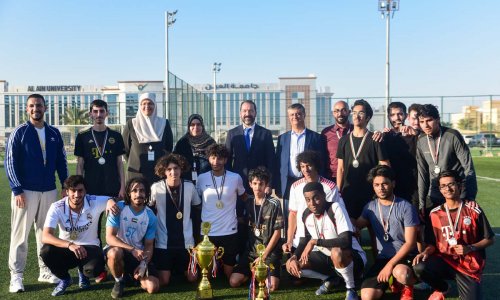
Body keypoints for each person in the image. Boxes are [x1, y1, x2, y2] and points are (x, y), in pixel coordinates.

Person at [5, 93, 69, 293]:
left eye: (39, 105)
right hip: (25, 191)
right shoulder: (20, 132)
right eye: (32, 106)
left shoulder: (54, 132)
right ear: (27, 109)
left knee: (45, 234)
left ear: (45, 108)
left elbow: (61, 161)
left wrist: (64, 185)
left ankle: (45, 270)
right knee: (20, 235)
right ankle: (16, 276)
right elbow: (10, 163)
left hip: (49, 190)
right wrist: (17, 189)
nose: (36, 109)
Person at [413, 170, 495, 300]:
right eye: (443, 186)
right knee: (420, 266)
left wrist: (470, 247)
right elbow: (432, 244)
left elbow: (489, 239)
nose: (447, 189)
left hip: (469, 264)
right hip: (444, 260)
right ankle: (443, 288)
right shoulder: (435, 214)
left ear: (459, 186)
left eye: (451, 184)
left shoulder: (473, 209)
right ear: (440, 189)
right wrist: (425, 253)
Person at [40, 175, 119, 296]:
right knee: (46, 251)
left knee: (94, 271)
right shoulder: (57, 207)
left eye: (80, 190)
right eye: (73, 190)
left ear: (85, 191)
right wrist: (70, 245)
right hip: (67, 248)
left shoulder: (93, 201)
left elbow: (110, 199)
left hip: (90, 247)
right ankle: (65, 279)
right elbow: (45, 236)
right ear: (67, 191)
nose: (77, 195)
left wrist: (110, 202)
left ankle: (83, 272)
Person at [286, 182, 366, 300]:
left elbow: (346, 241)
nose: (312, 203)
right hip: (327, 257)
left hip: (352, 257)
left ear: (323, 195)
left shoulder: (335, 208)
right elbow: (304, 240)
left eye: (316, 198)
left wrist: (315, 242)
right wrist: (293, 257)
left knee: (336, 252)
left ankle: (351, 288)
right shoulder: (306, 214)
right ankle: (331, 278)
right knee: (292, 266)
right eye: (308, 200)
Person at [74, 99, 126, 283]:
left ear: (107, 113)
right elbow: (80, 165)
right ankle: (93, 270)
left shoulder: (116, 136)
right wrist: (79, 190)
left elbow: (120, 164)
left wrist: (122, 186)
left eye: (101, 111)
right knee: (91, 233)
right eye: (95, 111)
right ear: (90, 114)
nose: (98, 115)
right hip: (91, 193)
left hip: (113, 192)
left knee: (116, 231)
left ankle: (119, 265)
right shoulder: (82, 136)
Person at [284, 150, 345, 294]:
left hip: (325, 238)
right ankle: (330, 277)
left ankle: (342, 273)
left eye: (309, 165)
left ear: (316, 165)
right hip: (303, 238)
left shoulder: (329, 187)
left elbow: (336, 214)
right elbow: (292, 214)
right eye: (302, 166)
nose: (306, 170)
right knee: (294, 272)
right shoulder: (295, 186)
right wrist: (289, 239)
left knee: (334, 259)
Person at [356, 165, 420, 300]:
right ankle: (392, 281)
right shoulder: (370, 207)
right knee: (367, 296)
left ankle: (407, 286)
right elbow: (355, 226)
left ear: (393, 184)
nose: (381, 188)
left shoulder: (406, 207)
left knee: (402, 273)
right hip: (382, 259)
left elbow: (410, 243)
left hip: (404, 257)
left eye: (385, 183)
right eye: (377, 185)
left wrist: (390, 265)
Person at [225, 100, 276, 258]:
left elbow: (271, 161)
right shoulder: (232, 134)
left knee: (259, 219)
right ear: (240, 113)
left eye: (251, 111)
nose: (247, 114)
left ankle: (261, 252)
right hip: (238, 186)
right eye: (245, 111)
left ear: (255, 112)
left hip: (259, 186)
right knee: (240, 218)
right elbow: (227, 161)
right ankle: (240, 253)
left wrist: (269, 184)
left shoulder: (265, 134)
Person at [416, 104, 477, 219]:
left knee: (458, 232)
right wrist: (422, 203)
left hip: (456, 193)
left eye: (429, 120)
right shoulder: (421, 140)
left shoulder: (452, 136)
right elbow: (422, 174)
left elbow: (468, 168)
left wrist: (470, 196)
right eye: (422, 121)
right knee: (434, 233)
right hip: (435, 194)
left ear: (437, 119)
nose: (426, 125)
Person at [196, 144, 246, 278]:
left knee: (228, 274)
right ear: (208, 159)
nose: (216, 162)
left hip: (229, 230)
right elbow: (197, 201)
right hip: (208, 231)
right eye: (212, 158)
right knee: (208, 274)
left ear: (225, 160)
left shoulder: (235, 178)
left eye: (219, 159)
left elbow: (244, 197)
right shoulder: (201, 178)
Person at [150, 154, 201, 286]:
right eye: (169, 169)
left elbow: (197, 211)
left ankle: (179, 269)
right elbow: (149, 212)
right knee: (164, 281)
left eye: (176, 168)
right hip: (163, 243)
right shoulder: (156, 188)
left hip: (187, 243)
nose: (173, 172)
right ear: (164, 171)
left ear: (181, 169)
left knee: (192, 278)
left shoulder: (190, 187)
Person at [229, 167, 283, 291]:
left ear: (266, 185)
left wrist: (264, 255)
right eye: (254, 183)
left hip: (270, 252)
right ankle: (253, 273)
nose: (257, 187)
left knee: (272, 286)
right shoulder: (247, 202)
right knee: (233, 281)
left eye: (260, 184)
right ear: (250, 184)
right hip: (252, 252)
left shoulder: (274, 203)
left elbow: (278, 232)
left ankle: (272, 269)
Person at [106, 177, 159, 298]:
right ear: (129, 193)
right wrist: (132, 249)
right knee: (114, 253)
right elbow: (109, 238)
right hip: (120, 250)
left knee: (153, 287)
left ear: (146, 193)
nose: (138, 194)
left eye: (142, 190)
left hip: (138, 256)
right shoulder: (118, 208)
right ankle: (119, 281)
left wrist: (143, 264)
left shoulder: (150, 216)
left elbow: (149, 245)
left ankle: (131, 277)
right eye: (134, 190)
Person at [336, 99, 390, 219]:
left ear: (368, 117)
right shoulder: (343, 140)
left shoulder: (375, 139)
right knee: (350, 229)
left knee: (373, 228)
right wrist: (338, 192)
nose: (356, 116)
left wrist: (382, 188)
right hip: (348, 192)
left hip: (369, 193)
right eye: (354, 113)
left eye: (361, 113)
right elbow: (340, 168)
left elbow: (385, 165)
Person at [274, 103, 325, 228]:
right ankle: (290, 243)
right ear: (288, 117)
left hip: (308, 181)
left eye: (298, 114)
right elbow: (278, 163)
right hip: (288, 183)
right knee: (289, 215)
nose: (295, 117)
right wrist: (277, 185)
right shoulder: (282, 138)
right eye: (292, 114)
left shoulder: (316, 138)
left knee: (309, 214)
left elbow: (321, 161)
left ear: (304, 115)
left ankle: (309, 242)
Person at [123, 92, 173, 185]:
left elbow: (168, 147)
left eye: (150, 103)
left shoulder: (164, 123)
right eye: (144, 103)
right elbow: (125, 150)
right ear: (140, 106)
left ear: (155, 105)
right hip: (136, 174)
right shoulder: (131, 124)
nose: (147, 106)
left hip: (159, 174)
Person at [382, 102, 419, 207]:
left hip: (413, 185)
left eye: (400, 114)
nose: (397, 118)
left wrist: (416, 134)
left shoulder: (414, 135)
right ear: (388, 117)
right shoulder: (386, 136)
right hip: (393, 185)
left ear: (406, 116)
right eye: (392, 115)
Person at [173, 114, 216, 181]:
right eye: (192, 125)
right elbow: (175, 162)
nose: (196, 127)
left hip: (207, 180)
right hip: (186, 181)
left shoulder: (210, 142)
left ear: (202, 126)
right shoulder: (182, 143)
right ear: (188, 127)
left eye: (198, 124)